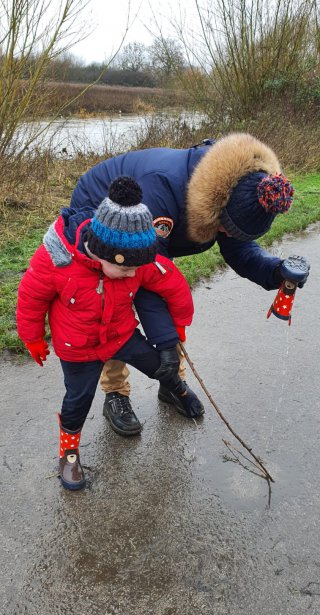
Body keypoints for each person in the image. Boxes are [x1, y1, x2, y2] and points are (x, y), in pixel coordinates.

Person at [68, 131, 310, 437]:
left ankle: (172, 385)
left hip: (155, 235)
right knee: (114, 307)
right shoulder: (162, 190)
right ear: (218, 204)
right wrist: (166, 344)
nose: (228, 234)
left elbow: (237, 248)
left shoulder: (237, 189)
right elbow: (147, 275)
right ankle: (116, 393)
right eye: (227, 228)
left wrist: (276, 272)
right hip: (101, 207)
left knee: (166, 298)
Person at [16, 177, 205, 491]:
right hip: (77, 349)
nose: (133, 274)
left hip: (120, 335)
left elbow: (170, 281)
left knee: (162, 363)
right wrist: (32, 337)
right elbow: (31, 297)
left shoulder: (133, 258)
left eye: (136, 269)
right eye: (127, 270)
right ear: (104, 254)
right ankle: (69, 453)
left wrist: (180, 322)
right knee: (78, 401)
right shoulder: (57, 262)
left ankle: (177, 391)